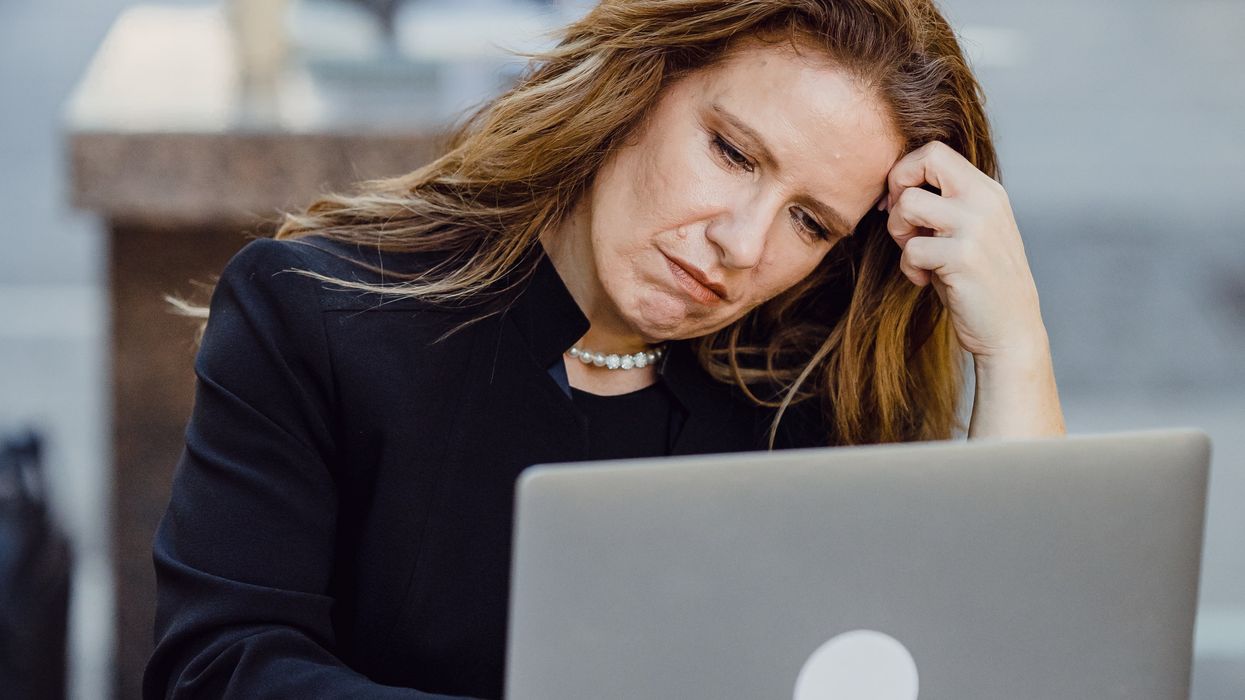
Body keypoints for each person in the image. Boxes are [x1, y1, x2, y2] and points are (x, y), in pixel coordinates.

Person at [144, 0, 1065, 697]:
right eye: (734, 153)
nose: (741, 245)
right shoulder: (318, 312)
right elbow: (221, 665)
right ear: (639, 86)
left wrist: (1014, 345)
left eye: (810, 221)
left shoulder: (804, 403)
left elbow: (1008, 668)